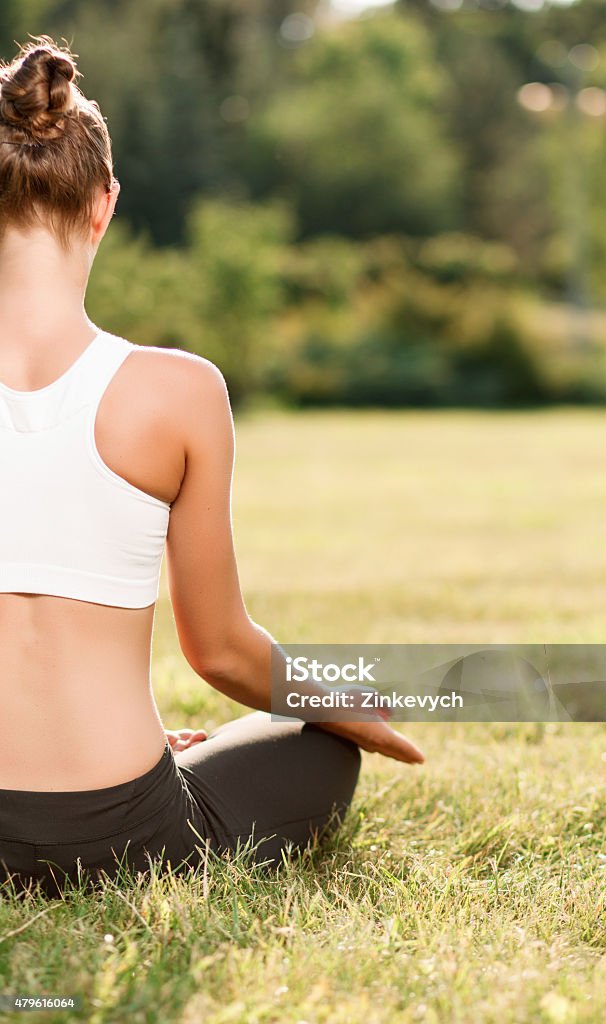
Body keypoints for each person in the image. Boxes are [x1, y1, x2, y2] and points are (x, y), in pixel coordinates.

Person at [0, 37, 424, 899]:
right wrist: (355, 714)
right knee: (313, 747)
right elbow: (225, 654)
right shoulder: (179, 391)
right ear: (104, 205)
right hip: (125, 828)